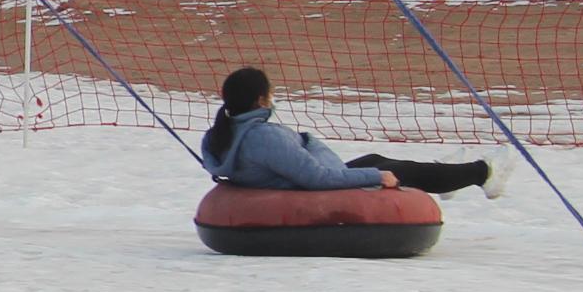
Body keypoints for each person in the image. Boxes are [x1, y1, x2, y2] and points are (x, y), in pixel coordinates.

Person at [199, 67, 500, 197]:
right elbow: (317, 179)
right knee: (391, 169)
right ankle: (483, 173)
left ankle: (446, 178)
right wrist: (374, 177)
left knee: (375, 157)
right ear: (260, 100)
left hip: (287, 183)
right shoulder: (264, 137)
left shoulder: (221, 133)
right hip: (308, 191)